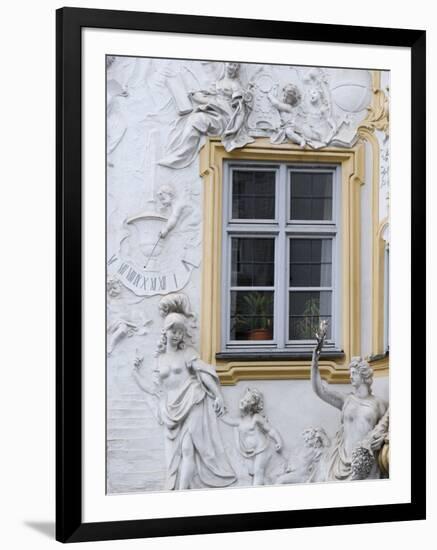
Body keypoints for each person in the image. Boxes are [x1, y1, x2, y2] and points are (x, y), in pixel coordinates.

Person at [132, 294, 236, 490]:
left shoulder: (188, 353)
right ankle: (177, 489)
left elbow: (203, 373)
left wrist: (217, 395)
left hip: (192, 398)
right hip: (171, 407)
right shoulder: (159, 360)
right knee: (174, 454)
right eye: (174, 331)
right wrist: (135, 373)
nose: (177, 335)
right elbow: (154, 388)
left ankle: (181, 492)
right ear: (166, 332)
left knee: (188, 448)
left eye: (180, 332)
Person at [310, 321, 388, 481]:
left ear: (364, 375)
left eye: (354, 373)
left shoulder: (379, 404)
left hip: (366, 463)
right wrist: (315, 360)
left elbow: (385, 433)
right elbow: (319, 390)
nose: (350, 376)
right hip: (341, 460)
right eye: (350, 373)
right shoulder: (346, 400)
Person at [158, 62, 254, 168]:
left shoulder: (235, 85)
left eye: (236, 66)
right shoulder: (218, 83)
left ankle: (180, 157)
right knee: (194, 119)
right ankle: (179, 154)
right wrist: (194, 95)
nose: (233, 67)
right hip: (215, 113)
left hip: (225, 119)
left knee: (196, 120)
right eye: (231, 64)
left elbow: (240, 110)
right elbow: (209, 100)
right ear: (225, 64)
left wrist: (235, 128)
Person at [221, 387, 282, 485]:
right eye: (243, 399)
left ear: (252, 406)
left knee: (258, 470)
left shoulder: (256, 418)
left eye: (246, 401)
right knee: (252, 472)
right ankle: (264, 483)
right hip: (248, 452)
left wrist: (278, 441)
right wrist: (219, 411)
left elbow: (270, 430)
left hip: (261, 448)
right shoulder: (239, 421)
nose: (242, 401)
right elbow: (227, 420)